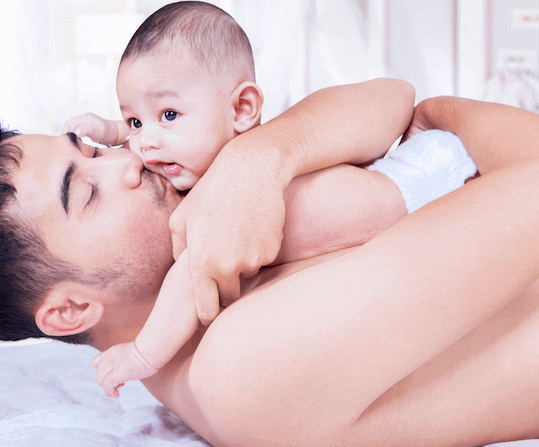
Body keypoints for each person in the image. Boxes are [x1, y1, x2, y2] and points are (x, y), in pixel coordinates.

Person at [0, 75, 539, 445]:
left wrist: (261, 158)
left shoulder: (226, 238)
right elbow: (436, 125)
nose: (128, 161)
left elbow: (397, 101)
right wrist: (443, 119)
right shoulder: (240, 365)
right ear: (70, 309)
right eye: (87, 193)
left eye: (93, 150)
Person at [63, 1, 476, 394]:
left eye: (168, 115)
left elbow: (189, 280)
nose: (144, 143)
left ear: (242, 109)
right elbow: (153, 134)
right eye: (134, 121)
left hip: (433, 188)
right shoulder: (202, 159)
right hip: (418, 196)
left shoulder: (228, 202)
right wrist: (111, 130)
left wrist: (142, 354)